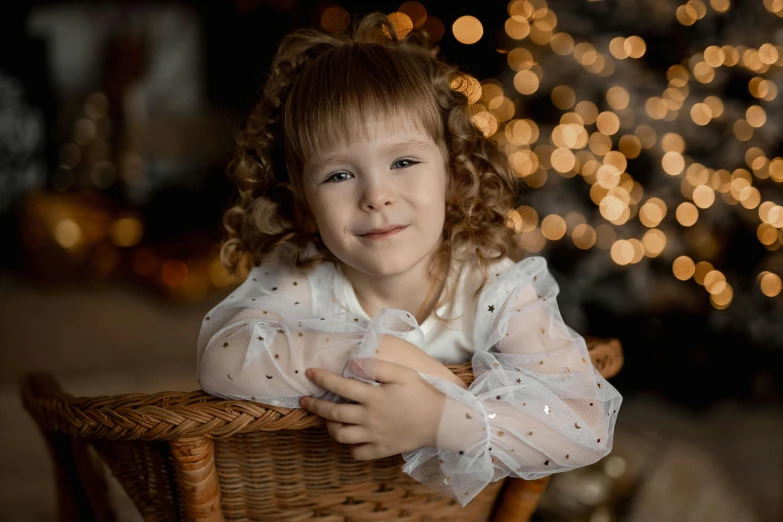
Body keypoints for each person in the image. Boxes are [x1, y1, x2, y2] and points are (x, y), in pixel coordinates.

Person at [196, 11, 622, 506]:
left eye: (403, 162)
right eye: (339, 176)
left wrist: (446, 416)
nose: (376, 195)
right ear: (303, 207)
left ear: (453, 176)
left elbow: (586, 421)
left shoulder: (490, 286)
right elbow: (220, 357)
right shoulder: (305, 273)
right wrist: (386, 356)